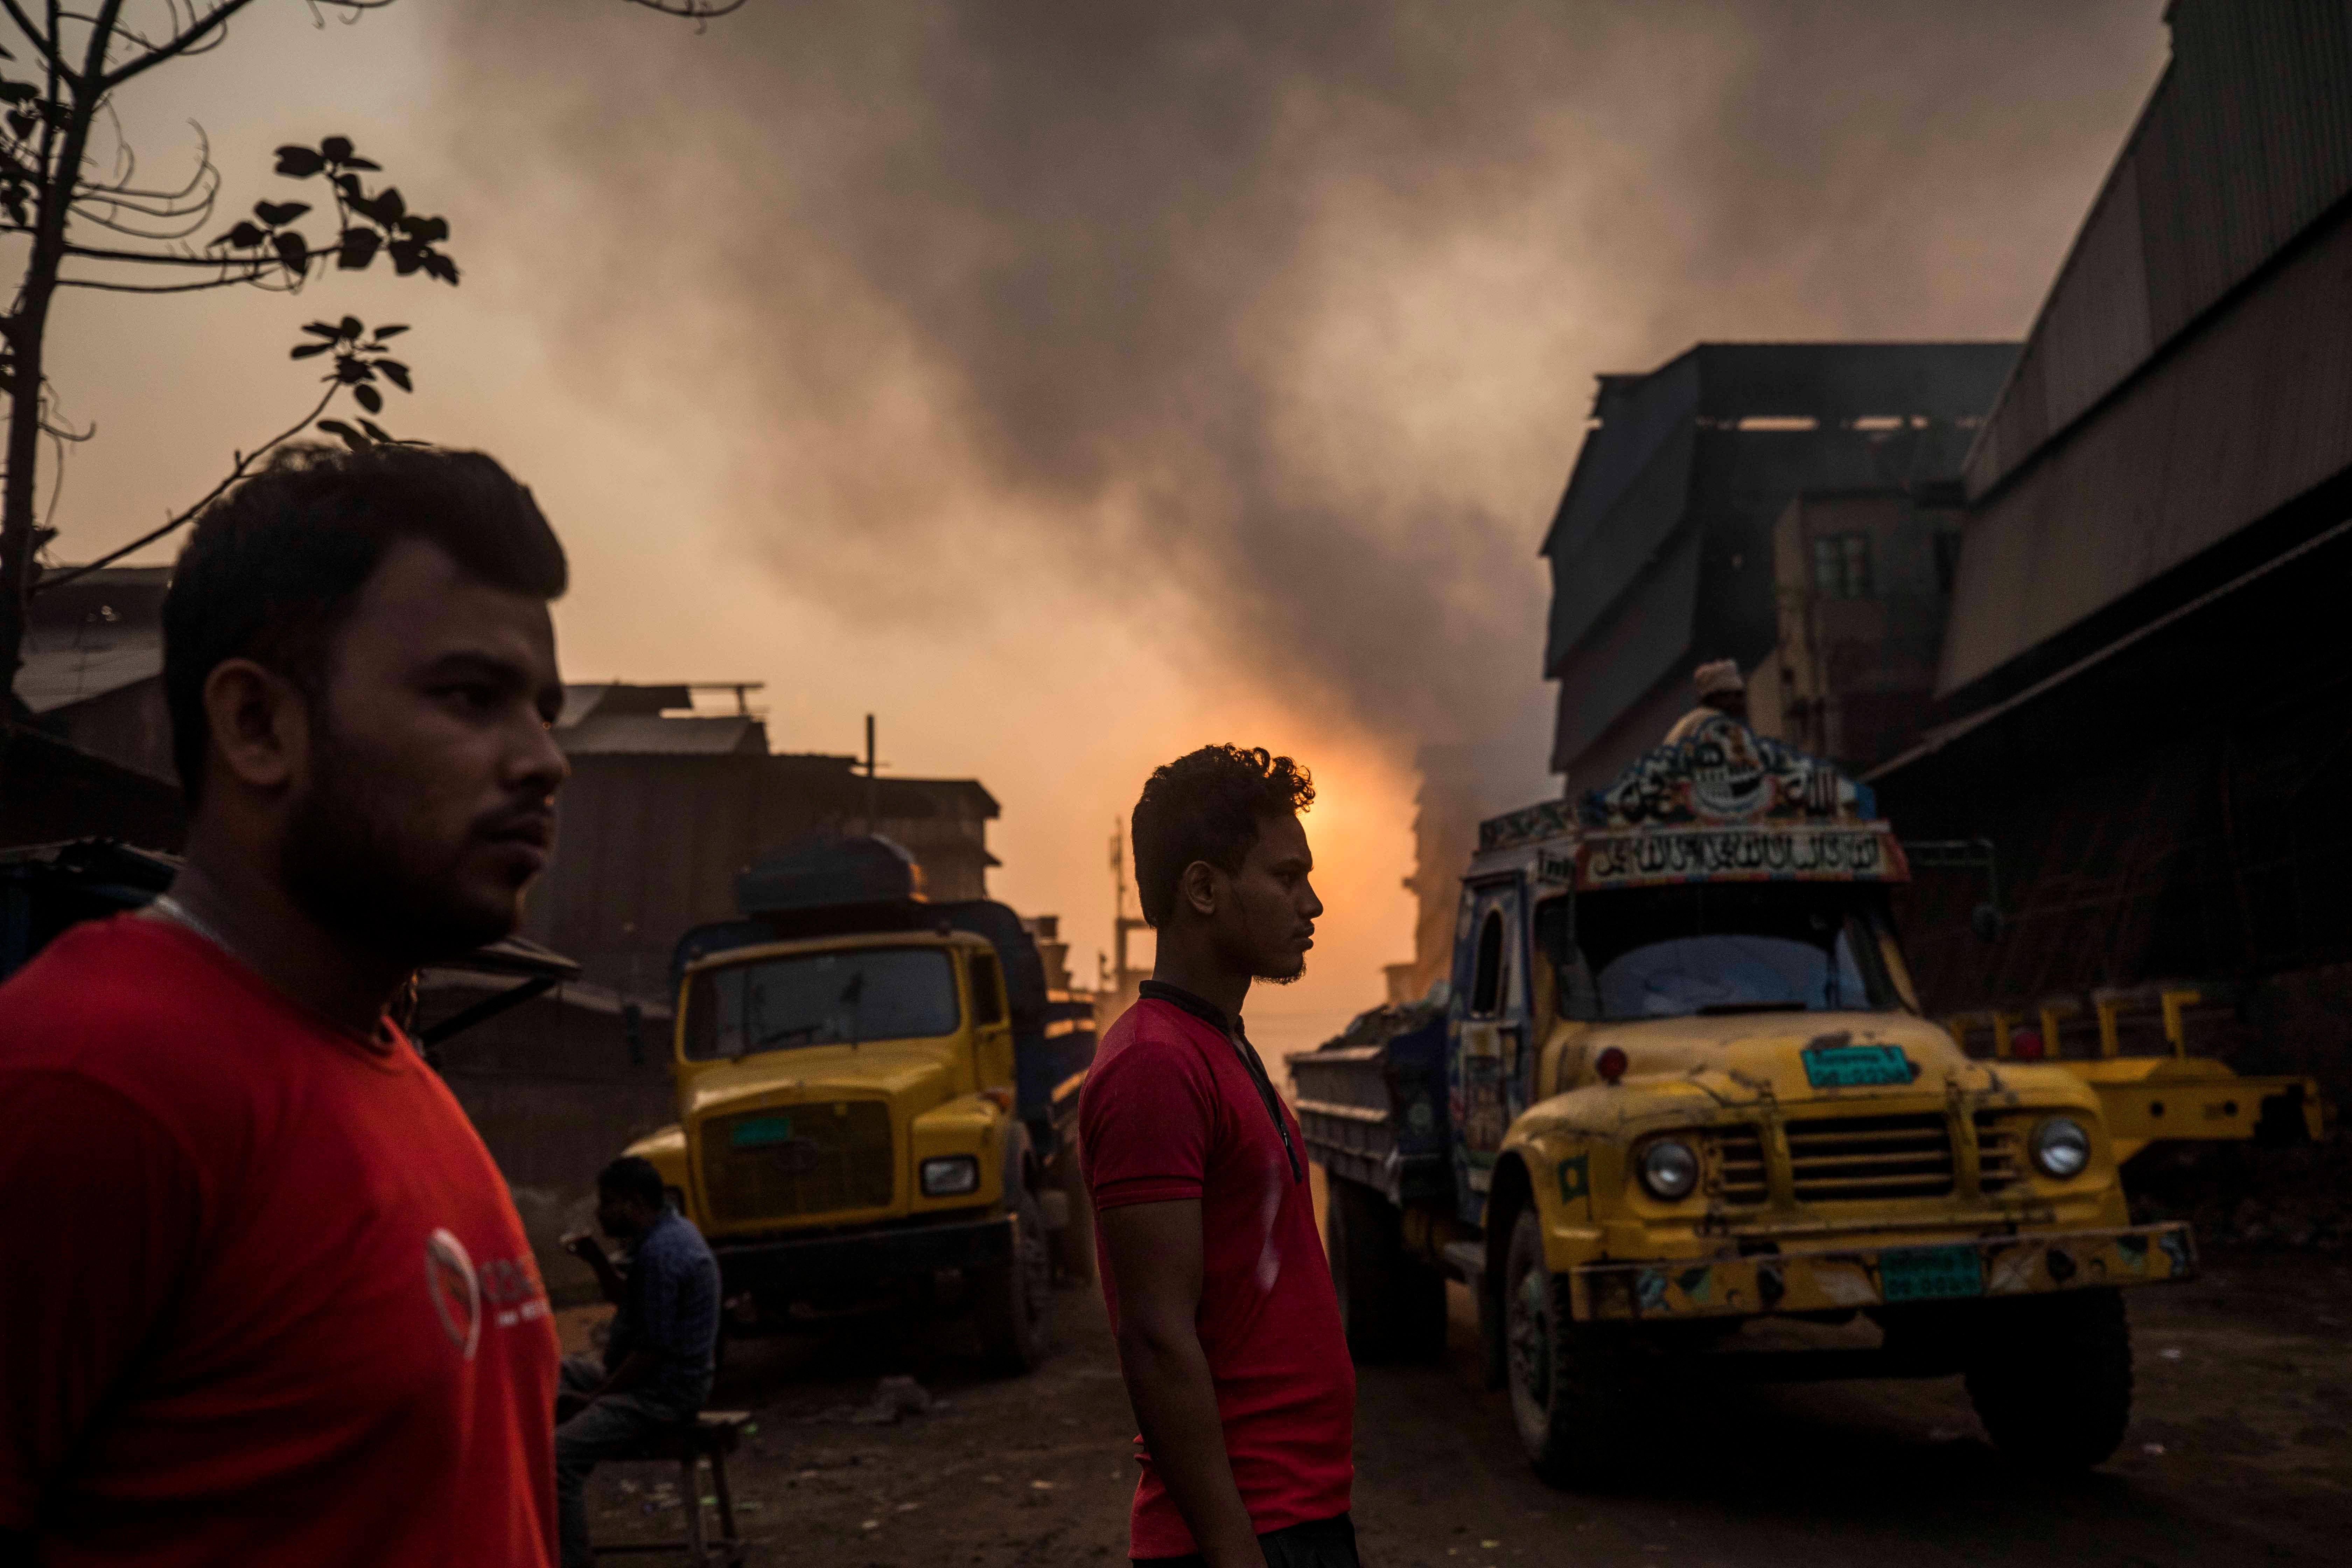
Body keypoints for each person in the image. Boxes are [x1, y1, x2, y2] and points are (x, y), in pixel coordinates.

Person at [0, 444, 572, 1566]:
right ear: (259, 724)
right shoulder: (91, 1081)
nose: (545, 760)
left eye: (545, 710)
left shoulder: (392, 1068)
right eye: (471, 696)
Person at [1080, 744, 1358, 1568]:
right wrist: (1234, 1552)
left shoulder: (1219, 1046)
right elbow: (1156, 1336)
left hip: (1295, 1511)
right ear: (1203, 889)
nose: (1311, 903)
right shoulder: (1154, 1067)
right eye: (1285, 877)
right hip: (1245, 1534)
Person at [554, 1156, 721, 1568]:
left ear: (633, 1204)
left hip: (663, 1394)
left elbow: (651, 1351)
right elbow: (634, 1304)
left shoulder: (662, 1255)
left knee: (558, 1460)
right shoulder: (664, 1235)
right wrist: (596, 1261)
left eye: (607, 1203)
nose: (600, 1212)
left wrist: (594, 1400)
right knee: (552, 1369)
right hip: (646, 1380)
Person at [1662, 658, 1746, 744]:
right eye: (1737, 695)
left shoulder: (1695, 718)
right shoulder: (1713, 721)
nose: (1741, 702)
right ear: (1718, 696)